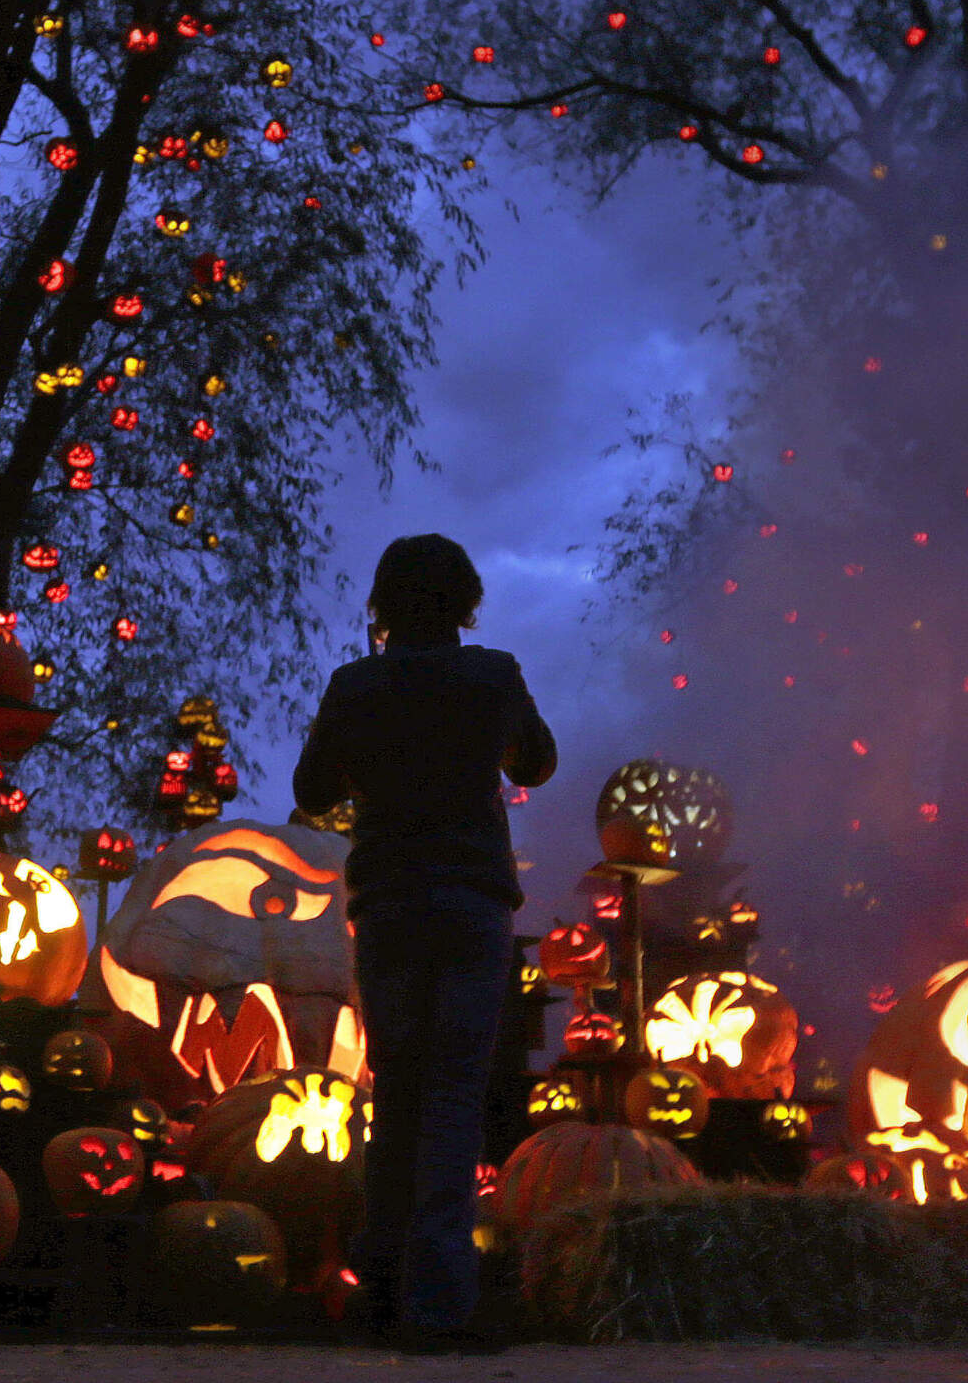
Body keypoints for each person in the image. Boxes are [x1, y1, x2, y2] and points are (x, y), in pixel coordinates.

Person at [292, 533, 555, 1354]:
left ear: (382, 604)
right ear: (468, 602)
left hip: (389, 904)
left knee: (396, 1091)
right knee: (450, 1096)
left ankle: (377, 1291)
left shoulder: (355, 686)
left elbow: (310, 789)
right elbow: (539, 765)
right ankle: (437, 1307)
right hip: (472, 903)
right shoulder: (493, 676)